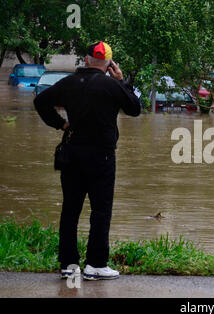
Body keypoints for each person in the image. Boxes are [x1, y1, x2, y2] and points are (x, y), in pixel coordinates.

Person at [34, 41, 141, 280]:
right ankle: (95, 264)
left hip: (72, 154)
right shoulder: (112, 85)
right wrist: (122, 81)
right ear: (109, 63)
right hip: (101, 157)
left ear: (86, 59)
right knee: (100, 211)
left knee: (70, 211)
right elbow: (134, 108)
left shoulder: (69, 82)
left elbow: (40, 102)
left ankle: (69, 264)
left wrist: (61, 123)